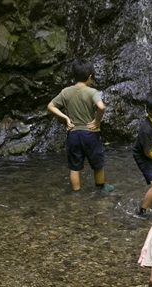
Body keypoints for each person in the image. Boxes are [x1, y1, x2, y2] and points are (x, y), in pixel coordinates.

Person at [47, 60, 114, 194]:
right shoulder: (91, 92)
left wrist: (66, 118)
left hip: (73, 133)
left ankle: (76, 193)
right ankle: (101, 188)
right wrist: (97, 120)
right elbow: (101, 107)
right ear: (90, 77)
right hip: (90, 133)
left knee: (74, 166)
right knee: (98, 164)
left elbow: (50, 106)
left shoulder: (66, 92)